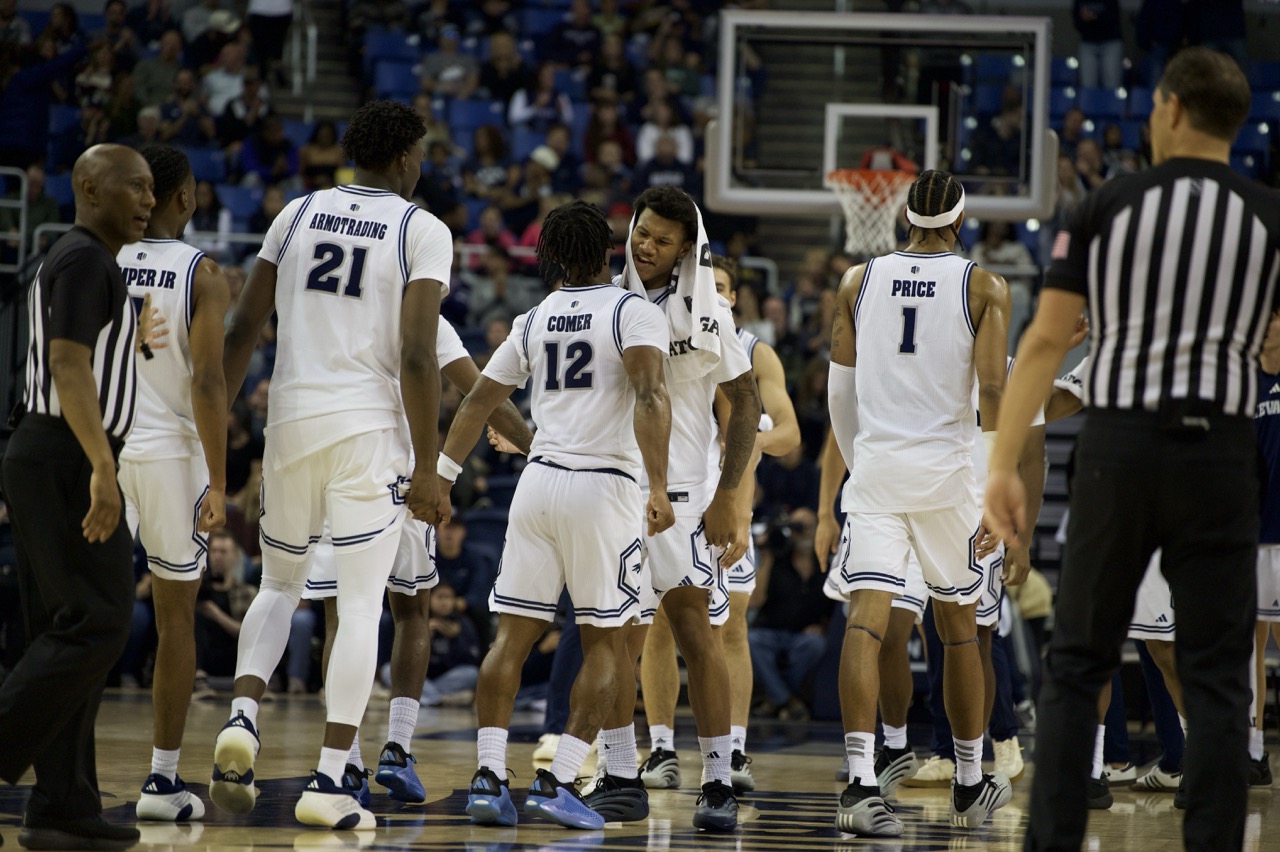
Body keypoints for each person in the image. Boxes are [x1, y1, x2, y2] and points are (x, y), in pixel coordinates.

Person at [984, 48, 1280, 852]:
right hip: (1222, 454)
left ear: (1173, 108)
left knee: (1079, 660)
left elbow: (1046, 340)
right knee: (1219, 677)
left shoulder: (1106, 205)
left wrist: (1003, 463)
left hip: (1120, 448)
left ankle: (1053, 840)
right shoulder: (1267, 215)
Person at [211, 99, 451, 830]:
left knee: (279, 583)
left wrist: (214, 425)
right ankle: (328, 778)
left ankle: (244, 713)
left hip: (287, 417)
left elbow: (244, 325)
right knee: (360, 606)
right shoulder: (421, 228)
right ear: (407, 156)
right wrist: (430, 464)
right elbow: (417, 354)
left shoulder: (296, 211)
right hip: (368, 431)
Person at [437, 200, 673, 830]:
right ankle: (557, 777)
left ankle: (488, 777)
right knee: (608, 641)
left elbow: (479, 402)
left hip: (536, 485)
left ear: (548, 259)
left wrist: (443, 477)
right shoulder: (633, 311)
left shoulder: (533, 317)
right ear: (608, 252)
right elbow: (650, 396)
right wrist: (660, 485)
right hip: (604, 489)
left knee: (509, 640)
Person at [826, 168, 1013, 837]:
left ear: (903, 215)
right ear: (961, 220)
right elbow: (992, 390)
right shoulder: (984, 285)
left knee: (865, 625)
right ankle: (969, 781)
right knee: (959, 631)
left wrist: (860, 467)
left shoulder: (857, 280)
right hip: (949, 478)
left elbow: (839, 396)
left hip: (877, 469)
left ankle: (857, 783)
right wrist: (995, 486)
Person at [585, 186, 760, 833]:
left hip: (685, 497)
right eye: (641, 233)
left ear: (688, 247)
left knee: (697, 636)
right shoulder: (612, 299)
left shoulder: (710, 312)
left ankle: (717, 782)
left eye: (661, 238)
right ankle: (621, 775)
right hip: (616, 491)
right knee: (611, 641)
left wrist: (729, 494)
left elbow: (745, 406)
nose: (646, 246)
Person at [299, 316, 530, 806]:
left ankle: (347, 762)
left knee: (340, 617)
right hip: (405, 474)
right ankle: (397, 749)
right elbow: (480, 394)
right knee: (410, 612)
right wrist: (538, 447)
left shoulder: (344, 304)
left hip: (336, 466)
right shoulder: (428, 323)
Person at [0, 143, 156, 851]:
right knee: (97, 621)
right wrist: (102, 465)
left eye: (154, 189)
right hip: (68, 456)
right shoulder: (87, 258)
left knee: (60, 627)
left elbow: (79, 351)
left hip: (45, 453)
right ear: (91, 188)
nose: (148, 200)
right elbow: (66, 362)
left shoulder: (74, 259)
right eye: (137, 188)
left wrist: (132, 335)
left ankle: (62, 801)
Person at [633, 252, 800, 794]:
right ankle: (660, 748)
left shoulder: (754, 352)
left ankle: (734, 750)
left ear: (736, 297)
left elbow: (791, 434)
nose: (719, 294)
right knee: (659, 625)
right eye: (713, 285)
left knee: (729, 631)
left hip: (725, 501)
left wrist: (741, 447)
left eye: (726, 287)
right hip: (667, 495)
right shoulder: (659, 331)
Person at [115, 143, 229, 822]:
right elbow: (209, 381)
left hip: (104, 448)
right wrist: (218, 480)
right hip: (170, 455)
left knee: (84, 614)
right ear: (182, 198)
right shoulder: (201, 271)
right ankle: (161, 780)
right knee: (174, 617)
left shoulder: (99, 257)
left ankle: (59, 766)